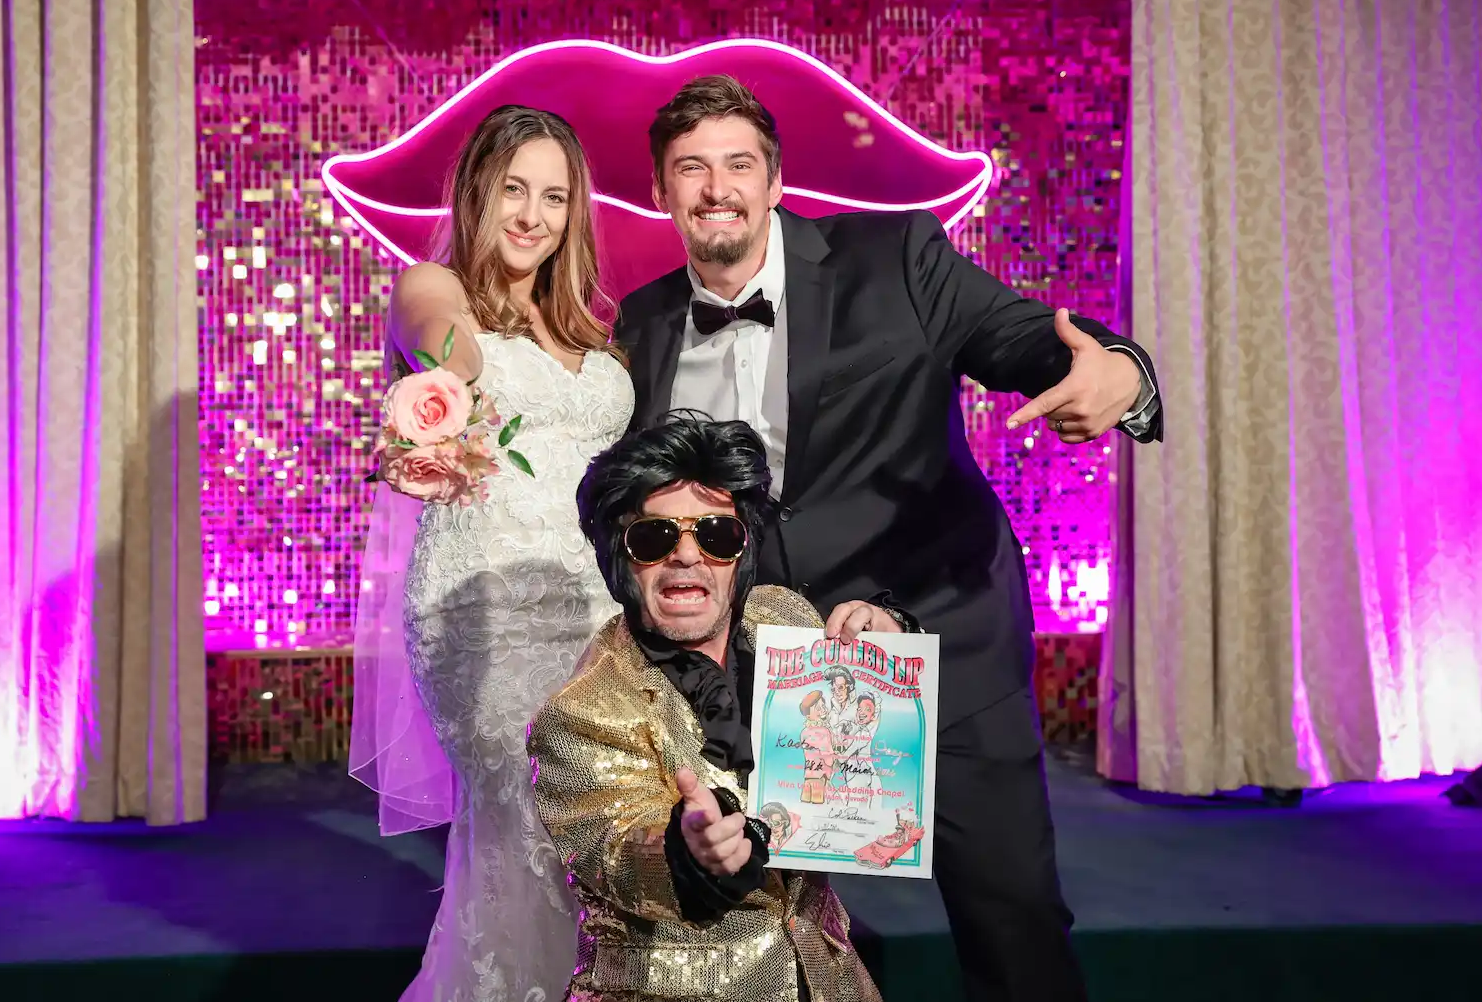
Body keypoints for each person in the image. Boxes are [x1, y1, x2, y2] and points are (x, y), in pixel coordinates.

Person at [617, 75, 1165, 1002]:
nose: (718, 187)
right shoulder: (643, 323)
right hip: (767, 682)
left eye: (738, 164)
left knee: (1012, 919)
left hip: (937, 641)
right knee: (751, 939)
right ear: (664, 192)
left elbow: (1023, 335)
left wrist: (1119, 372)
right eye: (692, 169)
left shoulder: (895, 253)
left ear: (777, 179)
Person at [348, 104, 635, 1001]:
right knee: (533, 810)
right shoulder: (429, 285)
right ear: (478, 191)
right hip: (482, 609)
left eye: (554, 196)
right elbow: (444, 344)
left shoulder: (590, 327)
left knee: (611, 825)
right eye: (514, 188)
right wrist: (451, 376)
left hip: (600, 614)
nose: (531, 214)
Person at [528, 417, 885, 1002]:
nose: (687, 556)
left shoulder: (784, 620)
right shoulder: (581, 712)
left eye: (717, 535)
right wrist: (687, 851)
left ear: (742, 552)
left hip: (828, 979)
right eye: (654, 537)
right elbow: (610, 855)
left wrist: (883, 634)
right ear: (620, 560)